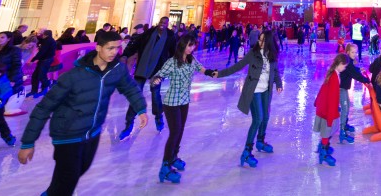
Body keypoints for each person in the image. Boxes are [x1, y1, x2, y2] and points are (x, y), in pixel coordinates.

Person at [18, 31, 147, 196]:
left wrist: (141, 109)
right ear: (98, 47)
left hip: (92, 131)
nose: (115, 52)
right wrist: (28, 143)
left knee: (76, 172)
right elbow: (44, 107)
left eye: (117, 48)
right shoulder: (73, 76)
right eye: (110, 48)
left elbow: (130, 88)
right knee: (67, 181)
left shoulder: (117, 70)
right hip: (67, 133)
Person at [151, 35, 218, 183]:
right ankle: (165, 167)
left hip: (184, 101)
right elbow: (160, 74)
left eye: (193, 45)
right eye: (189, 45)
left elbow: (201, 68)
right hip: (171, 102)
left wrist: (211, 73)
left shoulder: (190, 60)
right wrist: (156, 79)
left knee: (180, 131)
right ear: (182, 45)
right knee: (174, 132)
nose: (192, 48)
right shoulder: (172, 62)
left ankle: (174, 157)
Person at [216, 30, 283, 167]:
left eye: (263, 40)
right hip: (253, 90)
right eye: (260, 39)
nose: (260, 42)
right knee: (258, 119)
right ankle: (246, 152)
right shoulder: (253, 53)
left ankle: (260, 140)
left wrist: (279, 84)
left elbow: (275, 71)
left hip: (266, 90)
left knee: (265, 117)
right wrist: (220, 74)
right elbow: (237, 67)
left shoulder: (272, 55)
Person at [119, 16, 177, 140]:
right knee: (136, 95)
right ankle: (128, 125)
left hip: (158, 70)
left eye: (165, 23)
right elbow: (134, 44)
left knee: (155, 95)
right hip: (142, 68)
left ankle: (158, 118)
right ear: (158, 23)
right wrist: (125, 55)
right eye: (161, 22)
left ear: (168, 24)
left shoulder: (170, 37)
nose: (162, 24)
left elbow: (174, 53)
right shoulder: (148, 34)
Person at [313, 54, 347, 166]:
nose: (345, 69)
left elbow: (323, 88)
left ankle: (324, 145)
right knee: (329, 129)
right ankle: (323, 152)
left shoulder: (333, 74)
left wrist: (317, 101)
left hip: (325, 107)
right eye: (344, 66)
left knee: (330, 130)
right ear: (340, 64)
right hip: (327, 110)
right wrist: (331, 115)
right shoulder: (334, 77)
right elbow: (332, 97)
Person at [339, 44, 370, 144]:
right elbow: (355, 75)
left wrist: (358, 69)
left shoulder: (349, 61)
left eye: (356, 52)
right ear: (347, 52)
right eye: (352, 52)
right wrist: (366, 80)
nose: (354, 54)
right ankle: (342, 131)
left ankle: (345, 125)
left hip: (343, 88)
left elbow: (352, 70)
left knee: (347, 107)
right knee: (345, 109)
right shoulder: (347, 62)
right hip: (340, 88)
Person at [30, 30, 57, 98]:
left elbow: (42, 51)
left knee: (41, 75)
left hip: (45, 60)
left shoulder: (47, 40)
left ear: (45, 34)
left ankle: (44, 89)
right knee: (36, 75)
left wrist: (34, 59)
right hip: (45, 60)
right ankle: (34, 90)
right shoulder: (49, 40)